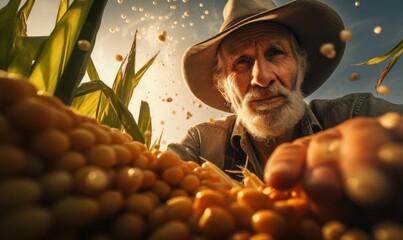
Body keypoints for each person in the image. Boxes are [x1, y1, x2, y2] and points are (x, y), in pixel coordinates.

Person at [168, 0, 403, 227]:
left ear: (301, 68)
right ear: (223, 87)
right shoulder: (200, 147)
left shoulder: (357, 114)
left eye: (275, 53)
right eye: (241, 62)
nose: (262, 77)